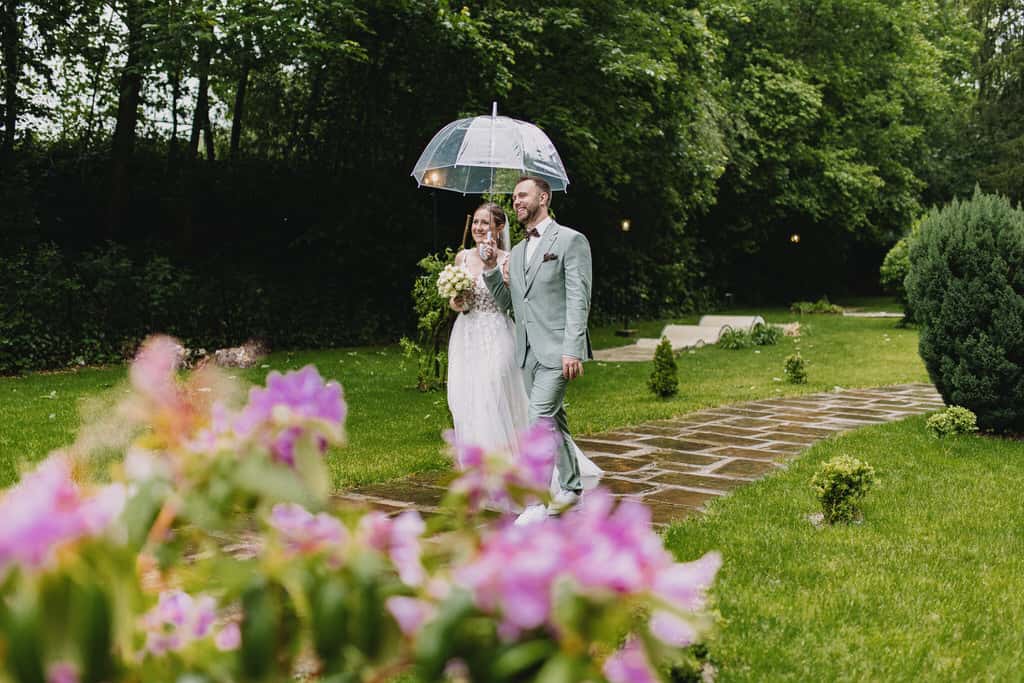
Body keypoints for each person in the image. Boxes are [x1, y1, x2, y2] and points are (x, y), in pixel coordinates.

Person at [447, 202, 600, 505]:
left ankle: (519, 478)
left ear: (498, 228)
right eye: (475, 222)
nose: (478, 227)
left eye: (485, 222)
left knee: (494, 397)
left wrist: (494, 269)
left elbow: (514, 302)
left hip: (498, 336)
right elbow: (455, 302)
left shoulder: (511, 258)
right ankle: (479, 473)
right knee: (467, 402)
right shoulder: (462, 257)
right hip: (466, 338)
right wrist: (458, 300)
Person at [480, 176, 594, 522]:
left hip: (558, 350)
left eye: (523, 195)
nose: (516, 201)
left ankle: (535, 503)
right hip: (528, 353)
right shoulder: (517, 252)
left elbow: (579, 298)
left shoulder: (571, 240)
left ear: (543, 198)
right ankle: (572, 488)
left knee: (538, 420)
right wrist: (491, 269)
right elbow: (511, 305)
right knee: (554, 420)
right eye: (514, 197)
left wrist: (573, 348)